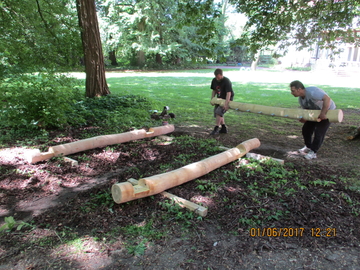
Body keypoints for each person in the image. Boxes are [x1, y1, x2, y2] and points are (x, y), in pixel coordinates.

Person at [290, 80, 336, 159]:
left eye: (293, 91)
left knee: (319, 132)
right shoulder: (301, 100)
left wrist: (323, 113)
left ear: (299, 89)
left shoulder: (312, 92)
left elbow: (327, 99)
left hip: (328, 111)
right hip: (315, 113)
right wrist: (305, 118)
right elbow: (307, 110)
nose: (291, 93)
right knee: (306, 129)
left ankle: (313, 152)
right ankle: (308, 147)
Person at [209, 69, 234, 135]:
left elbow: (229, 93)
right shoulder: (214, 80)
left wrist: (226, 104)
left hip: (227, 98)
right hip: (219, 99)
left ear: (221, 75)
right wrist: (212, 99)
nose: (217, 78)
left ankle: (216, 129)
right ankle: (223, 128)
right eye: (216, 76)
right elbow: (214, 90)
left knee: (218, 112)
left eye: (218, 76)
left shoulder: (226, 81)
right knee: (218, 113)